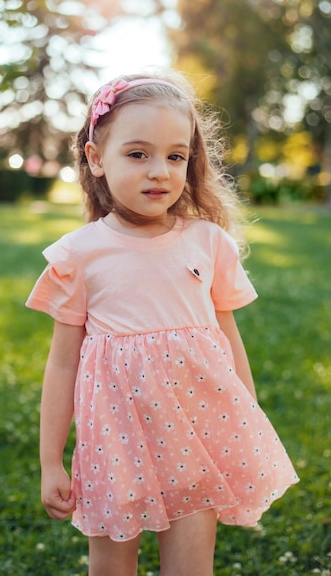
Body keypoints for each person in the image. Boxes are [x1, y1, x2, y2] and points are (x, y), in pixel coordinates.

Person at [26, 71, 299, 576]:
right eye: (137, 154)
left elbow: (227, 338)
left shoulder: (208, 242)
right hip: (114, 441)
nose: (160, 172)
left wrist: (248, 422)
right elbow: (62, 365)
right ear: (95, 159)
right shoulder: (78, 255)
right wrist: (50, 462)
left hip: (197, 431)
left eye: (176, 156)